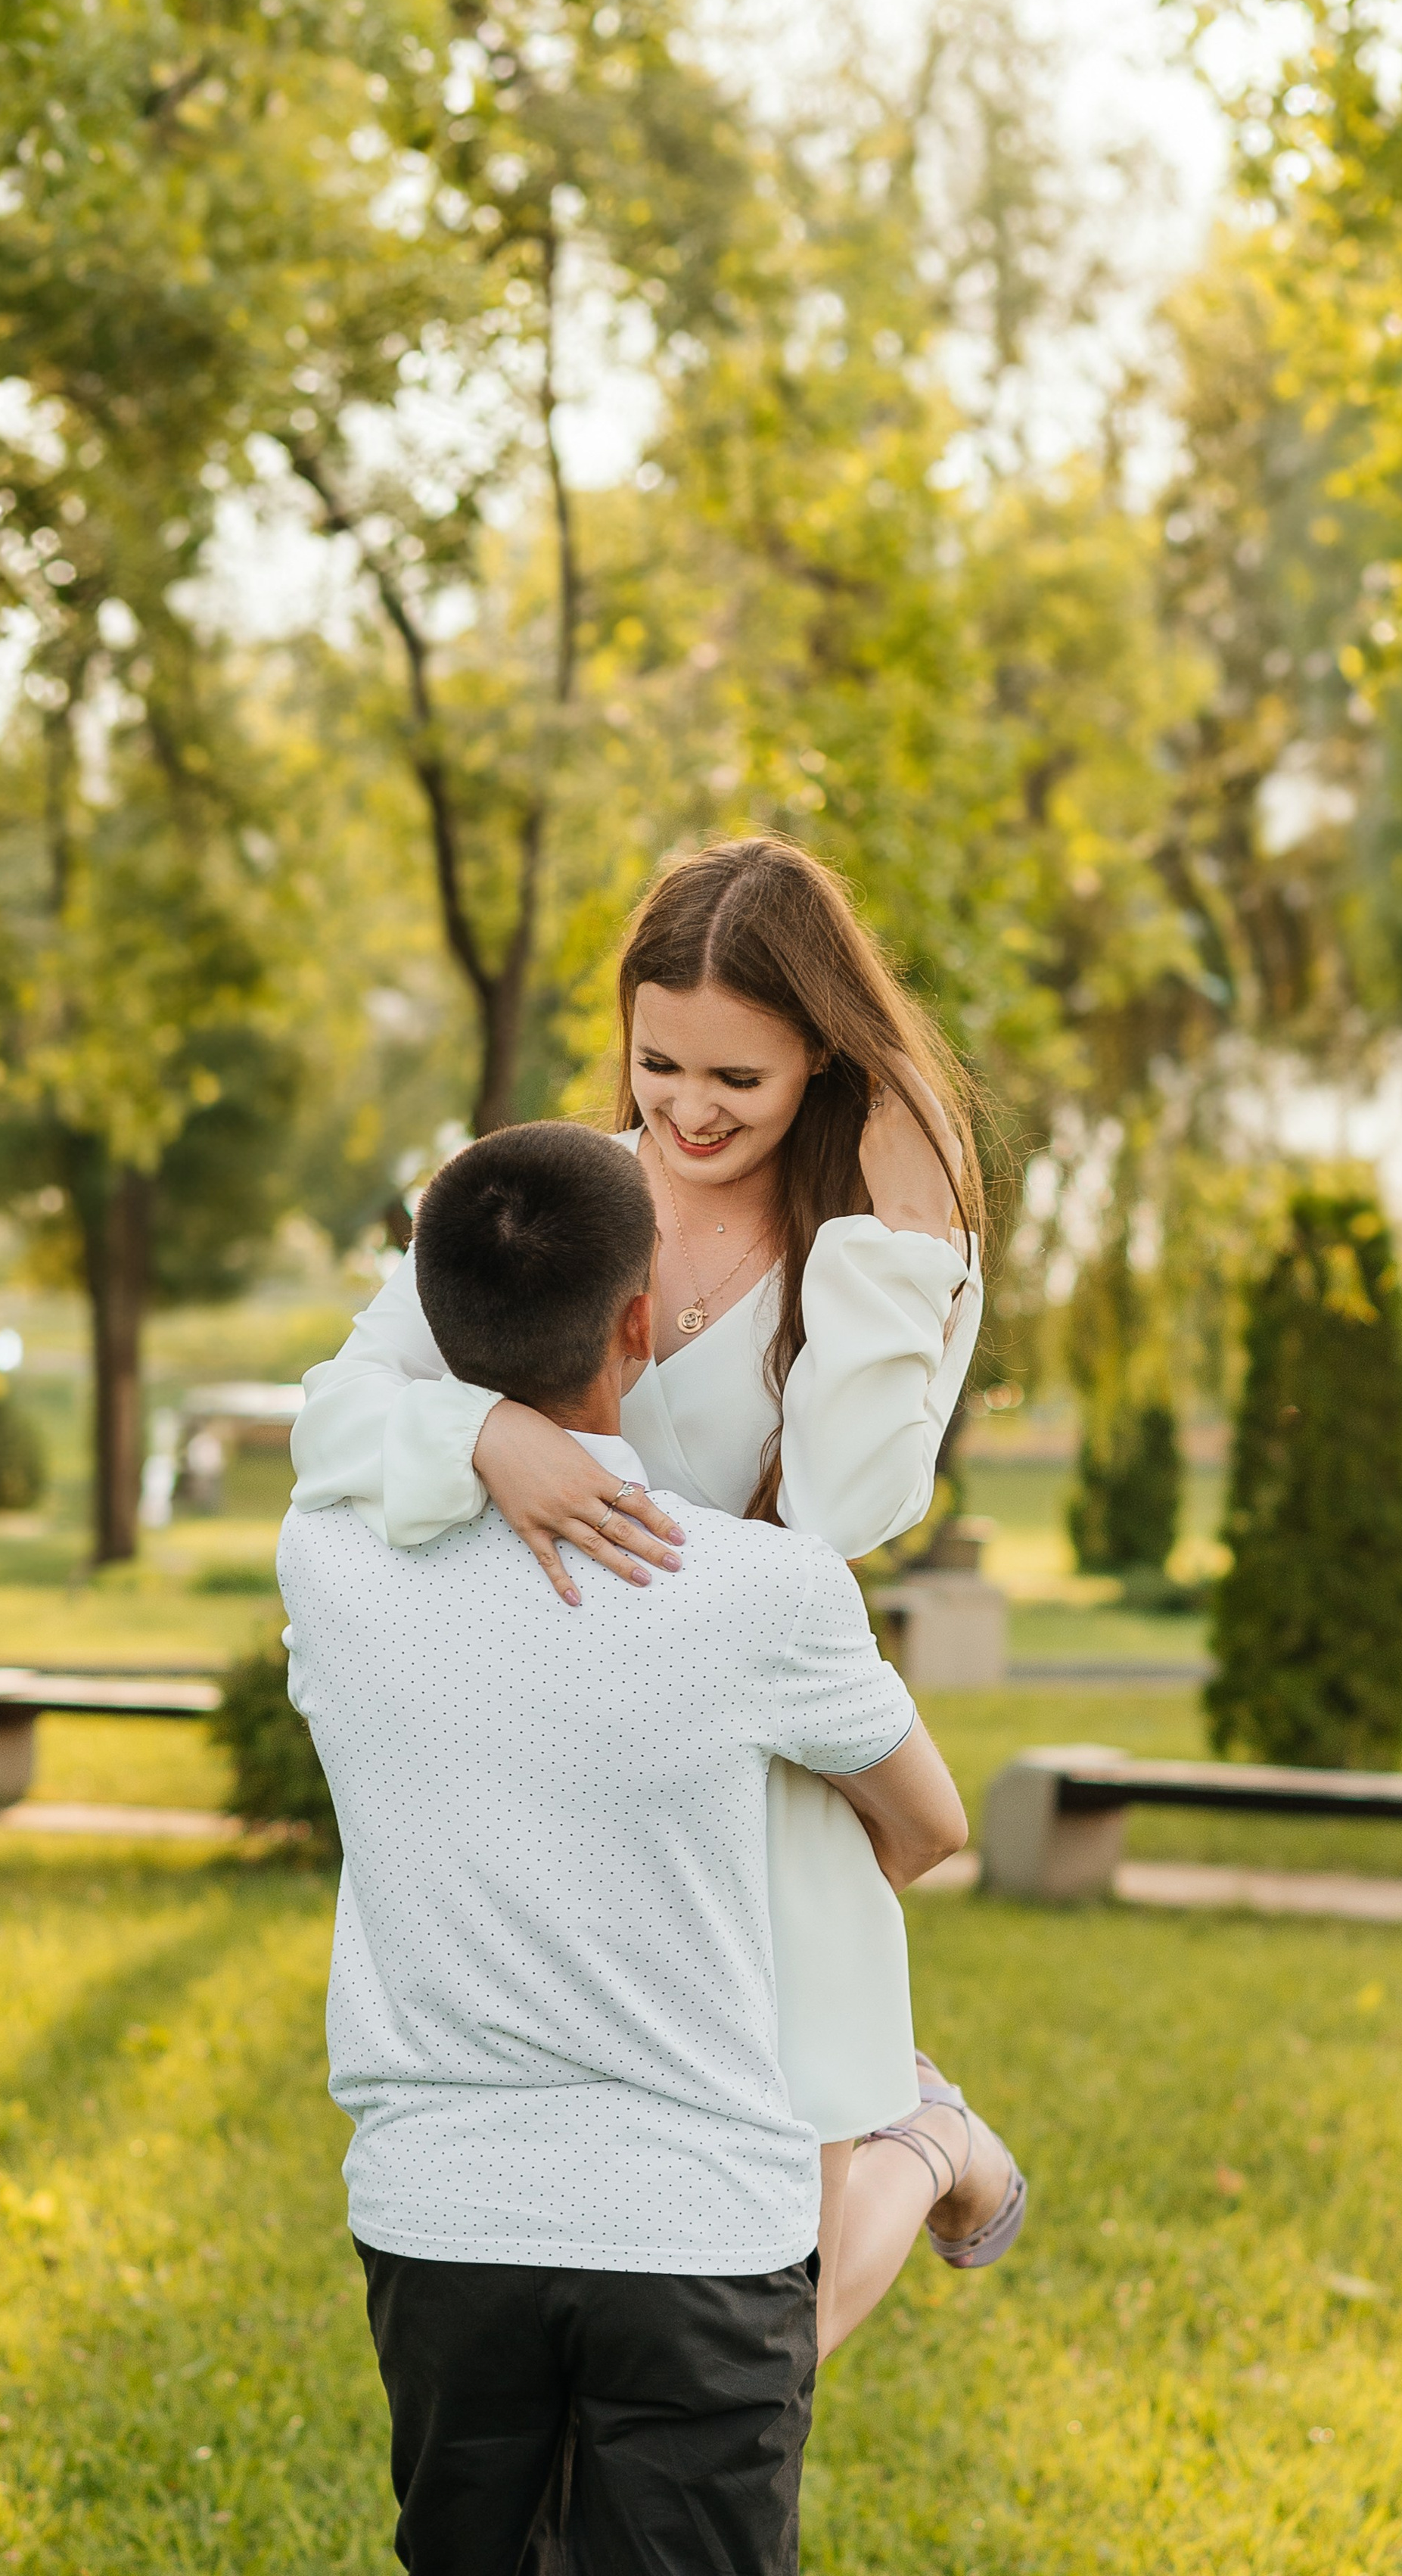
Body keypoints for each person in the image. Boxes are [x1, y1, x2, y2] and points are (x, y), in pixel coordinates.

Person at [291, 835, 1027, 2350]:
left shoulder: (881, 1247)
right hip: (571, 1758)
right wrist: (479, 1429)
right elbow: (333, 1417)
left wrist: (896, 1247)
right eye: (656, 1063)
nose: (686, 1112)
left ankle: (920, 2142)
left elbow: (844, 1510)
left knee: (766, 2320)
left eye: (737, 1082)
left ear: (820, 1059)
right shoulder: (555, 1202)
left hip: (757, 1743)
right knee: (641, 2260)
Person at [279, 1123, 998, 2571]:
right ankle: (930, 2149)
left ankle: (933, 2151)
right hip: (698, 2231)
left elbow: (334, 1431)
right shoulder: (761, 1591)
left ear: (431, 1329)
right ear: (632, 1323)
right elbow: (930, 1826)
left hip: (439, 2224)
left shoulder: (326, 1559)